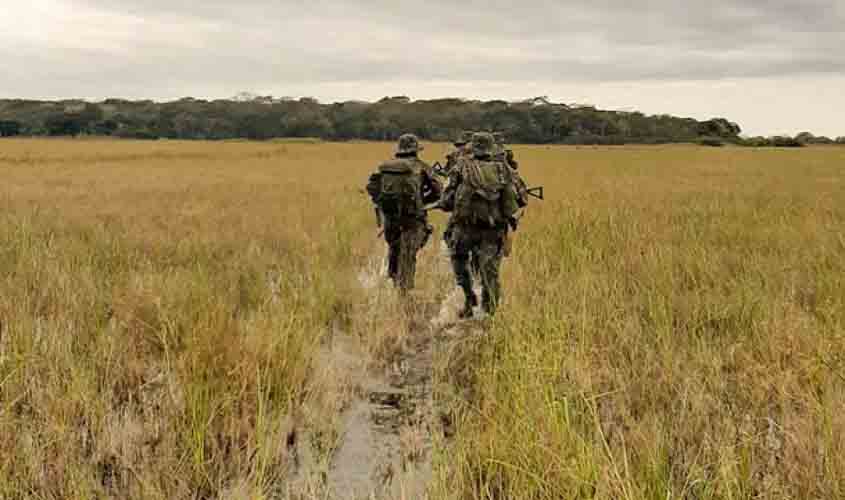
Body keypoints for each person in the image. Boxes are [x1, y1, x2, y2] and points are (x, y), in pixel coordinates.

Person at [441, 132, 520, 318]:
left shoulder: (460, 167)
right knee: (490, 273)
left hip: (464, 229)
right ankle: (489, 312)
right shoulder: (504, 170)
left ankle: (469, 297)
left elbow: (447, 200)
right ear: (491, 148)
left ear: (473, 148)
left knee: (459, 260)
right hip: (492, 231)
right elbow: (512, 205)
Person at [366, 134, 442, 292]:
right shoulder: (422, 167)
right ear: (416, 150)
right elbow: (438, 191)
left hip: (391, 220)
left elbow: (372, 188)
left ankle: (392, 287)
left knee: (394, 251)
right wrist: (421, 202)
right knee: (408, 257)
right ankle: (404, 295)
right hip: (413, 220)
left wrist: (384, 204)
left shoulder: (386, 167)